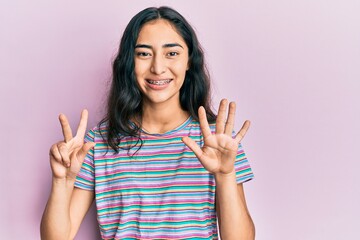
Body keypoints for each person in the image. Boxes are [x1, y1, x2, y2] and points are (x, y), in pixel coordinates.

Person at [40, 6, 255, 240]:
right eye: (144, 53)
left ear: (189, 61)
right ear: (129, 62)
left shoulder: (218, 140)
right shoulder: (97, 143)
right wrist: (62, 181)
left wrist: (225, 176)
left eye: (171, 53)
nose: (158, 68)